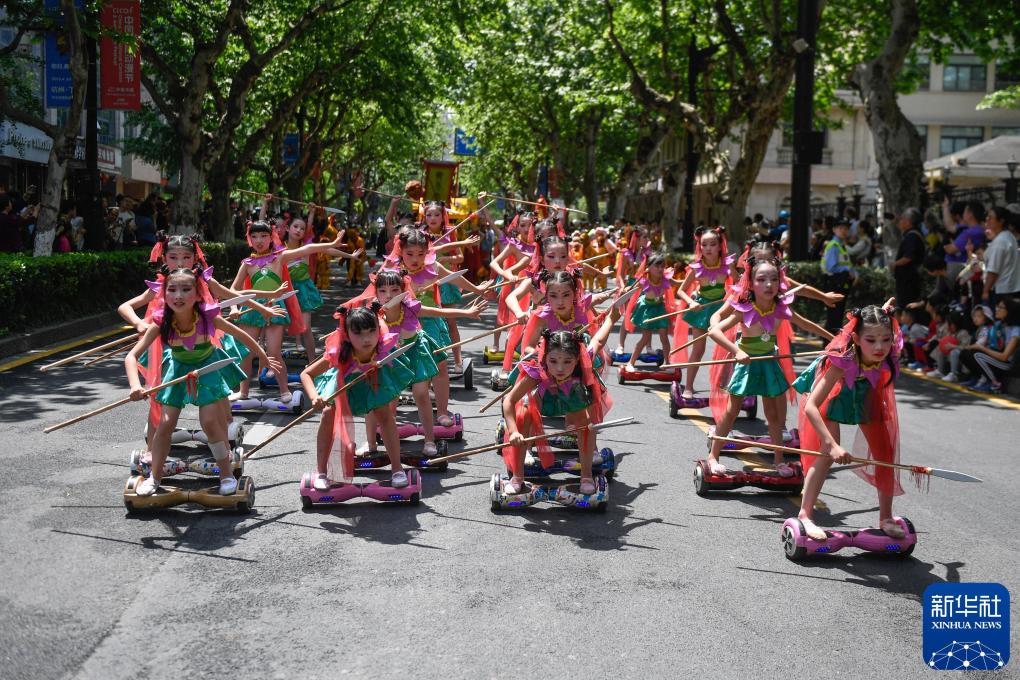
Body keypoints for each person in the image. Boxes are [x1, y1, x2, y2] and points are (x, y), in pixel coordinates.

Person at [125, 266, 282, 496]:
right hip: (177, 370)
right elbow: (131, 356)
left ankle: (226, 474)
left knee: (209, 422)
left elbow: (241, 335)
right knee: (165, 424)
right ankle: (154, 477)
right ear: (164, 294)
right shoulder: (161, 322)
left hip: (207, 368)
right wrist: (135, 385)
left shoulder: (208, 316)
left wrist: (263, 356)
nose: (178, 296)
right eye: (172, 290)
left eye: (186, 289)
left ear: (198, 294)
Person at [706, 253, 832, 477]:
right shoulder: (745, 308)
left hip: (768, 363)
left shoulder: (781, 307)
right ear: (751, 283)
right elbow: (714, 331)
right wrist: (737, 351)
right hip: (746, 364)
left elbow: (806, 325)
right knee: (731, 411)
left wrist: (834, 340)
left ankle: (779, 461)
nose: (769, 284)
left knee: (774, 416)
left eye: (774, 279)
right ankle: (713, 455)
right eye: (762, 279)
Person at [793, 304, 906, 540]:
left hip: (864, 395)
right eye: (871, 340)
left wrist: (884, 311)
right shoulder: (842, 360)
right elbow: (812, 406)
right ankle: (805, 515)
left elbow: (878, 324)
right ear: (855, 338)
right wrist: (832, 445)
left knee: (885, 454)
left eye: (886, 339)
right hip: (832, 395)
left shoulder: (887, 354)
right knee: (825, 454)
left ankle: (886, 518)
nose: (880, 347)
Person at [501, 309, 619, 496]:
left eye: (567, 361)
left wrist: (611, 319)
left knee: (587, 426)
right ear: (545, 357)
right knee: (523, 413)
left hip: (573, 399)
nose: (560, 368)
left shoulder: (584, 362)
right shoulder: (537, 370)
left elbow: (598, 340)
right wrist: (514, 431)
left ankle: (586, 477)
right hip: (544, 401)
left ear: (577, 359)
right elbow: (509, 401)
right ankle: (517, 477)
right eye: (553, 361)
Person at [301, 304, 415, 490]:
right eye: (359, 333)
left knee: (385, 415)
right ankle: (321, 472)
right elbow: (306, 374)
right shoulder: (339, 353)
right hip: (342, 387)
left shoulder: (383, 347)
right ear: (347, 334)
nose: (367, 339)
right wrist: (314, 397)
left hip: (372, 385)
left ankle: (397, 469)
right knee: (328, 413)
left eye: (371, 331)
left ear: (379, 329)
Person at [231, 221, 343, 403]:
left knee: (274, 353)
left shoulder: (279, 257)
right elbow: (234, 289)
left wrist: (331, 244)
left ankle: (284, 389)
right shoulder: (247, 264)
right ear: (250, 239)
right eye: (254, 236)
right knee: (246, 353)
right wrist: (234, 307)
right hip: (252, 308)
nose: (259, 240)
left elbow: (307, 249)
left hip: (275, 308)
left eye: (263, 236)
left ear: (271, 237)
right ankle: (243, 392)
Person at [672, 227, 735, 400]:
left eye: (713, 244)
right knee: (698, 349)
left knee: (728, 348)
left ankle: (725, 385)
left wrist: (732, 295)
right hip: (701, 309)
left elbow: (739, 284)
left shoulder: (727, 264)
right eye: (704, 244)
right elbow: (681, 291)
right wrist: (691, 302)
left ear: (720, 246)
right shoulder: (697, 267)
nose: (708, 248)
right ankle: (689, 386)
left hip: (721, 310)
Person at [959, 298, 1020, 393]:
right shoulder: (1000, 325)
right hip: (997, 358)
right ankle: (977, 378)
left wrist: (982, 348)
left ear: (1009, 311)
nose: (997, 309)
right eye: (997, 306)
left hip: (1006, 364)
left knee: (977, 355)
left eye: (1001, 307)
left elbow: (1004, 357)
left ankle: (995, 384)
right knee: (965, 353)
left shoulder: (1016, 330)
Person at [820, 219, 855, 334]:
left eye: (846, 228)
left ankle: (832, 341)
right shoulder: (834, 245)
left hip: (840, 283)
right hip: (834, 283)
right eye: (841, 228)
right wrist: (846, 270)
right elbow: (830, 267)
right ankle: (829, 341)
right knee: (834, 316)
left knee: (837, 316)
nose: (844, 231)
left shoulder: (841, 245)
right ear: (834, 230)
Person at [981, 204, 1020, 305]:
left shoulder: (1000, 241)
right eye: (987, 216)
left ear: (1001, 221)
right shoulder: (1008, 236)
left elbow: (993, 271)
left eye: (990, 217)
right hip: (1011, 287)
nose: (987, 219)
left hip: (1003, 290)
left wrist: (985, 291)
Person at [890, 208, 926, 308]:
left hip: (909, 280)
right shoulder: (913, 234)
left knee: (907, 306)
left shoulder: (912, 237)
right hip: (907, 279)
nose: (900, 222)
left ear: (908, 222)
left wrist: (895, 264)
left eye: (902, 219)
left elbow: (908, 257)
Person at [943, 199, 985, 280]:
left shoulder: (972, 232)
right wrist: (945, 206)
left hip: (958, 266)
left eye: (965, 211)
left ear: (970, 214)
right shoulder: (971, 228)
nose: (963, 213)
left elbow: (951, 249)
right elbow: (950, 227)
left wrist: (945, 246)